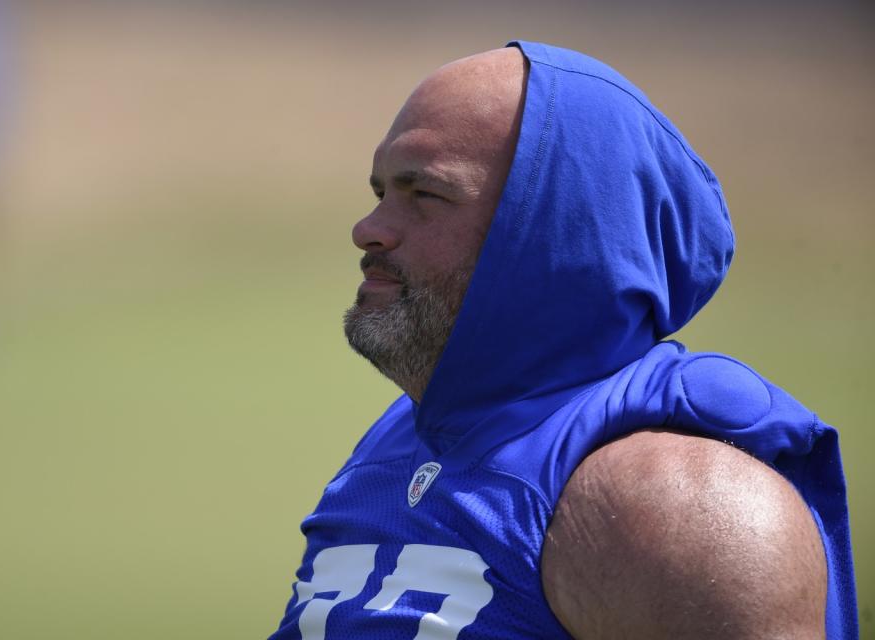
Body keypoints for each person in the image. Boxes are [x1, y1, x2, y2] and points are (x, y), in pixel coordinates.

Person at [269, 41, 857, 639]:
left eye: (425, 196)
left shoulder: (675, 498)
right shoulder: (399, 444)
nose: (367, 230)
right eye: (381, 193)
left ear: (554, 235)